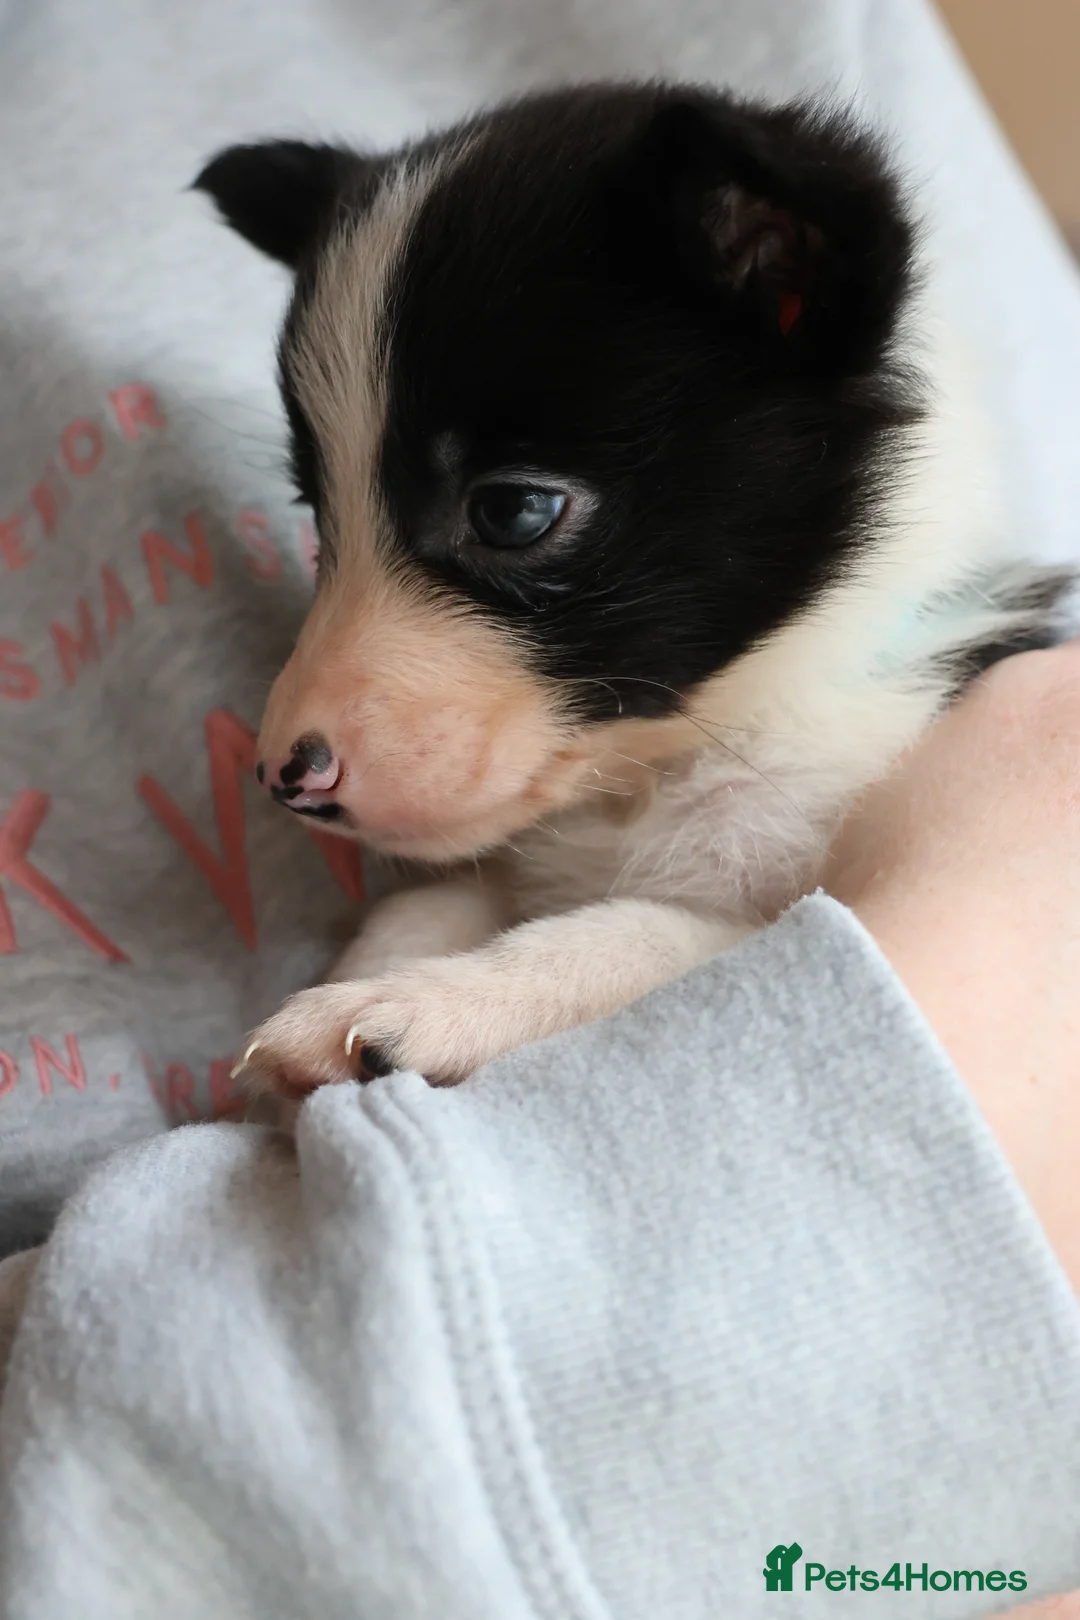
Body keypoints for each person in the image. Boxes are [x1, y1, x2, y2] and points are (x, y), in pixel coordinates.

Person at [1, 0, 1079, 1615]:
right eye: (337, 522)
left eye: (507, 515)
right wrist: (440, 940)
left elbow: (769, 960)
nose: (306, 728)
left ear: (792, 286)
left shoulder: (935, 742)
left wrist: (481, 989)